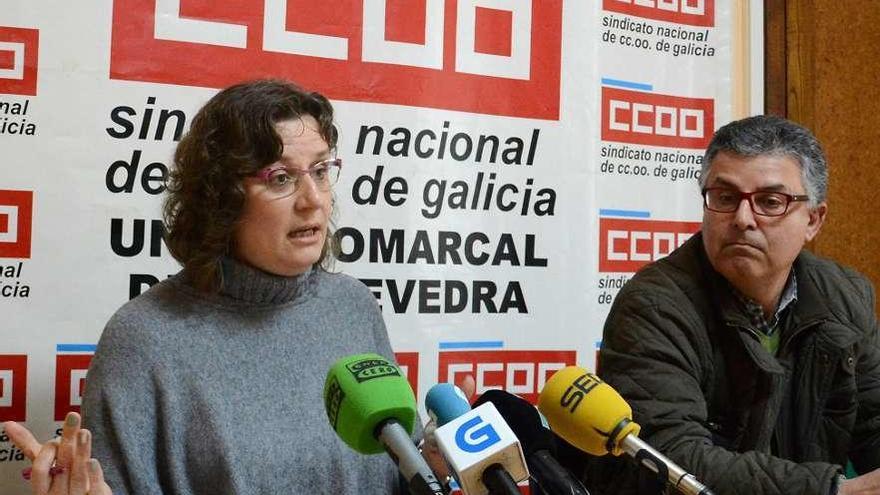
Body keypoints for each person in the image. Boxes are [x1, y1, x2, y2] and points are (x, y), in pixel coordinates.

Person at [6, 79, 406, 494]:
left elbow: (393, 470)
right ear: (221, 198)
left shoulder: (352, 305)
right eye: (281, 178)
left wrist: (436, 466)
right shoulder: (144, 340)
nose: (313, 199)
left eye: (321, 171)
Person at [590, 115, 880, 495]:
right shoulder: (653, 306)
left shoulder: (846, 295)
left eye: (769, 202)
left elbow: (873, 422)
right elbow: (670, 459)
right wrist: (833, 491)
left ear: (813, 220)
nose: (743, 219)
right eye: (725, 198)